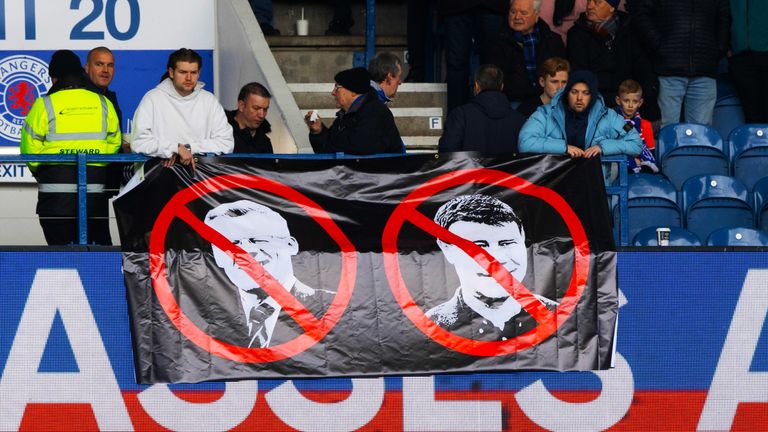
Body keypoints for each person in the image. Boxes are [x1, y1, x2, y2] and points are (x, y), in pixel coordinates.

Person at [20, 50, 120, 245]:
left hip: (54, 199)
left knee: (63, 259)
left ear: (54, 78)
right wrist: (95, 160)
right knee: (94, 261)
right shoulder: (102, 102)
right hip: (93, 197)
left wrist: (44, 170)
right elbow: (114, 143)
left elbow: (29, 150)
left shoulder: (44, 104)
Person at [426, 194, 558, 340]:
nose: (497, 259)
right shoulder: (430, 327)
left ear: (522, 238)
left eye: (506, 243)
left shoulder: (564, 317)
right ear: (447, 250)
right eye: (479, 247)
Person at [205, 200, 333, 348]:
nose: (244, 252)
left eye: (257, 239)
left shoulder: (334, 310)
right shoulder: (204, 320)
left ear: (290, 245)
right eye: (227, 245)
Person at [131, 48, 234, 170]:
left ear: (199, 73)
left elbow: (226, 143)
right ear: (171, 72)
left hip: (199, 179)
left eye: (194, 72)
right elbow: (139, 143)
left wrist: (188, 148)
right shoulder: (152, 99)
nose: (189, 78)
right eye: (183, 72)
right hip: (159, 177)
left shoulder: (209, 101)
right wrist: (174, 148)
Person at [633, 0, 730, 127]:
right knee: (666, 131)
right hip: (668, 69)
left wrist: (718, 49)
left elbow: (724, 17)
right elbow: (642, 13)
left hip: (704, 68)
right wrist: (659, 46)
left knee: (700, 135)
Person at [566, 0, 659, 120]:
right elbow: (580, 75)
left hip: (629, 99)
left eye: (597, 2)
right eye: (589, 1)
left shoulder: (630, 31)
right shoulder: (576, 34)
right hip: (595, 101)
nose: (589, 6)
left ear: (612, 8)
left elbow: (643, 68)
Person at [519, 70, 642, 159]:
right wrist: (564, 148)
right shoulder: (546, 113)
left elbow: (636, 143)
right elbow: (525, 142)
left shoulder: (609, 116)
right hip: (556, 182)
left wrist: (603, 147)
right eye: (574, 92)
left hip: (596, 183)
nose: (579, 98)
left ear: (593, 95)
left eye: (586, 93)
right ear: (567, 93)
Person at [304, 67, 403, 155]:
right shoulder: (344, 116)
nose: (333, 93)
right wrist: (318, 131)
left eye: (337, 87)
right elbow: (326, 152)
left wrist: (332, 143)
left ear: (353, 91)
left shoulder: (375, 111)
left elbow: (359, 148)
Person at [488, 0, 566, 104]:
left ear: (536, 15)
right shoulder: (497, 42)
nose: (517, 17)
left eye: (524, 13)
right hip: (513, 101)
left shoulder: (552, 40)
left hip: (547, 99)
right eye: (513, 12)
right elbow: (495, 82)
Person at [438, 0, 507, 112]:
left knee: (493, 64)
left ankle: (492, 116)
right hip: (457, 7)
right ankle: (456, 121)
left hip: (492, 6)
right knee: (456, 65)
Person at [439, 64, 525, 153]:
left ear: (476, 86)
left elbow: (447, 153)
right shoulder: (519, 119)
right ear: (502, 86)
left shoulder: (460, 115)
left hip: (471, 167)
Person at [729, 0, 768, 123]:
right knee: (752, 113)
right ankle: (756, 142)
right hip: (740, 55)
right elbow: (722, 14)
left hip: (764, 51)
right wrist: (726, 46)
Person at [615, 79, 658, 173]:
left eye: (635, 101)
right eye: (626, 101)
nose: (630, 105)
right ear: (618, 100)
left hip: (643, 168)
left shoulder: (645, 125)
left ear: (640, 102)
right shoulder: (612, 122)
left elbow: (651, 152)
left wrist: (639, 161)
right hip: (618, 165)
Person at [227, 82, 273, 153]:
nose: (261, 115)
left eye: (265, 109)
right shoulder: (221, 132)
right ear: (241, 105)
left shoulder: (265, 142)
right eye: (256, 108)